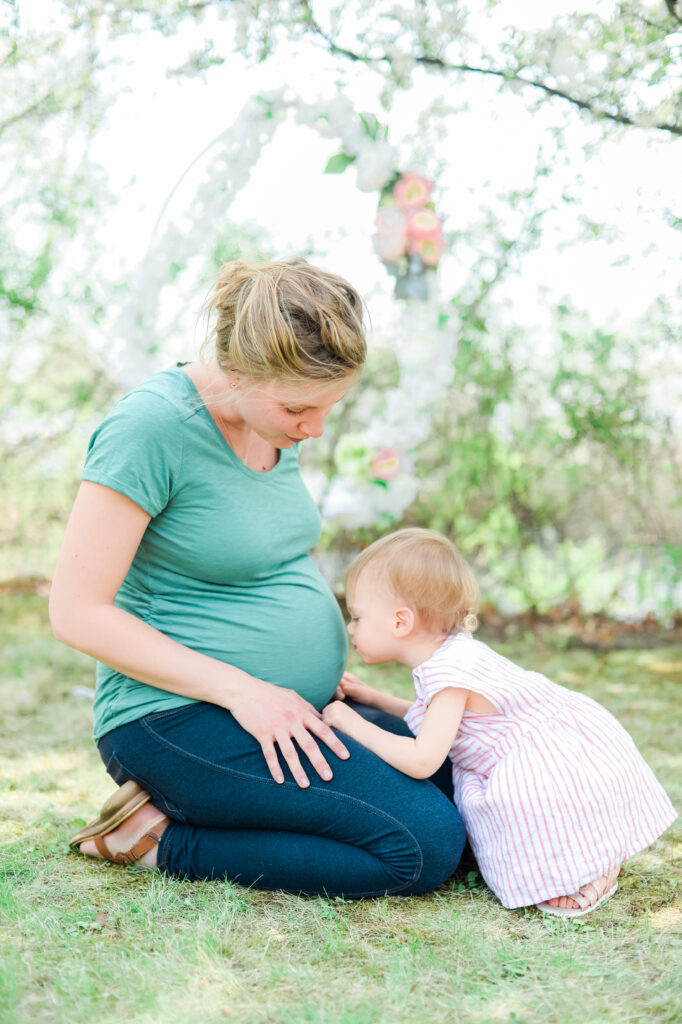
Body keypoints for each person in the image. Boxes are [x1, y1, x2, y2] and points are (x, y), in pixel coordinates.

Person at [49, 257, 466, 897]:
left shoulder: (276, 422)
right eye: (300, 407)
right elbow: (76, 612)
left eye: (330, 406)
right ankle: (158, 839)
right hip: (176, 717)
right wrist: (246, 691)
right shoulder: (151, 429)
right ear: (236, 372)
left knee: (466, 787)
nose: (315, 428)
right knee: (422, 846)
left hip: (290, 707)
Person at [322, 527, 677, 917]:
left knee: (535, 816)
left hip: (544, 761)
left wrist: (353, 723)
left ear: (401, 622)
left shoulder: (448, 672)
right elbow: (448, 718)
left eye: (356, 617)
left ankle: (593, 868)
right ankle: (589, 858)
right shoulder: (447, 655)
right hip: (541, 740)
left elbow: (423, 758)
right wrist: (378, 700)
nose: (351, 628)